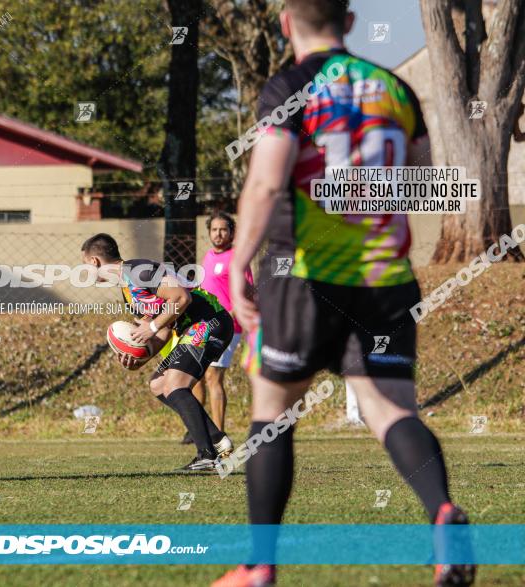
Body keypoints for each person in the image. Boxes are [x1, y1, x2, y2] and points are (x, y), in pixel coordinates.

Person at [212, 1, 474, 585]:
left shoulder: (291, 85)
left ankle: (258, 566)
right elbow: (423, 180)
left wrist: (238, 264)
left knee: (273, 412)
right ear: (349, 22)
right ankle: (442, 512)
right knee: (389, 410)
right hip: (385, 278)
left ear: (285, 22)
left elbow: (265, 180)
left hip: (304, 275)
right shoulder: (394, 88)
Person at [81, 233, 233, 471]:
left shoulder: (138, 270)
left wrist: (151, 327)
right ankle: (216, 439)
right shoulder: (128, 291)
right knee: (158, 385)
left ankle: (208, 456)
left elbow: (180, 297)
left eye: (85, 266)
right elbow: (163, 328)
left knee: (175, 385)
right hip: (191, 328)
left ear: (94, 262)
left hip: (210, 321)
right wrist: (139, 357)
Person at [181, 212, 253, 445]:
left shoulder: (238, 257)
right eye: (214, 229)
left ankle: (218, 434)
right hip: (204, 325)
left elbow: (248, 291)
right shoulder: (208, 257)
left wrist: (226, 315)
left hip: (228, 326)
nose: (218, 234)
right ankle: (199, 429)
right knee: (197, 375)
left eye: (223, 229)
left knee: (213, 377)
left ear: (231, 232)